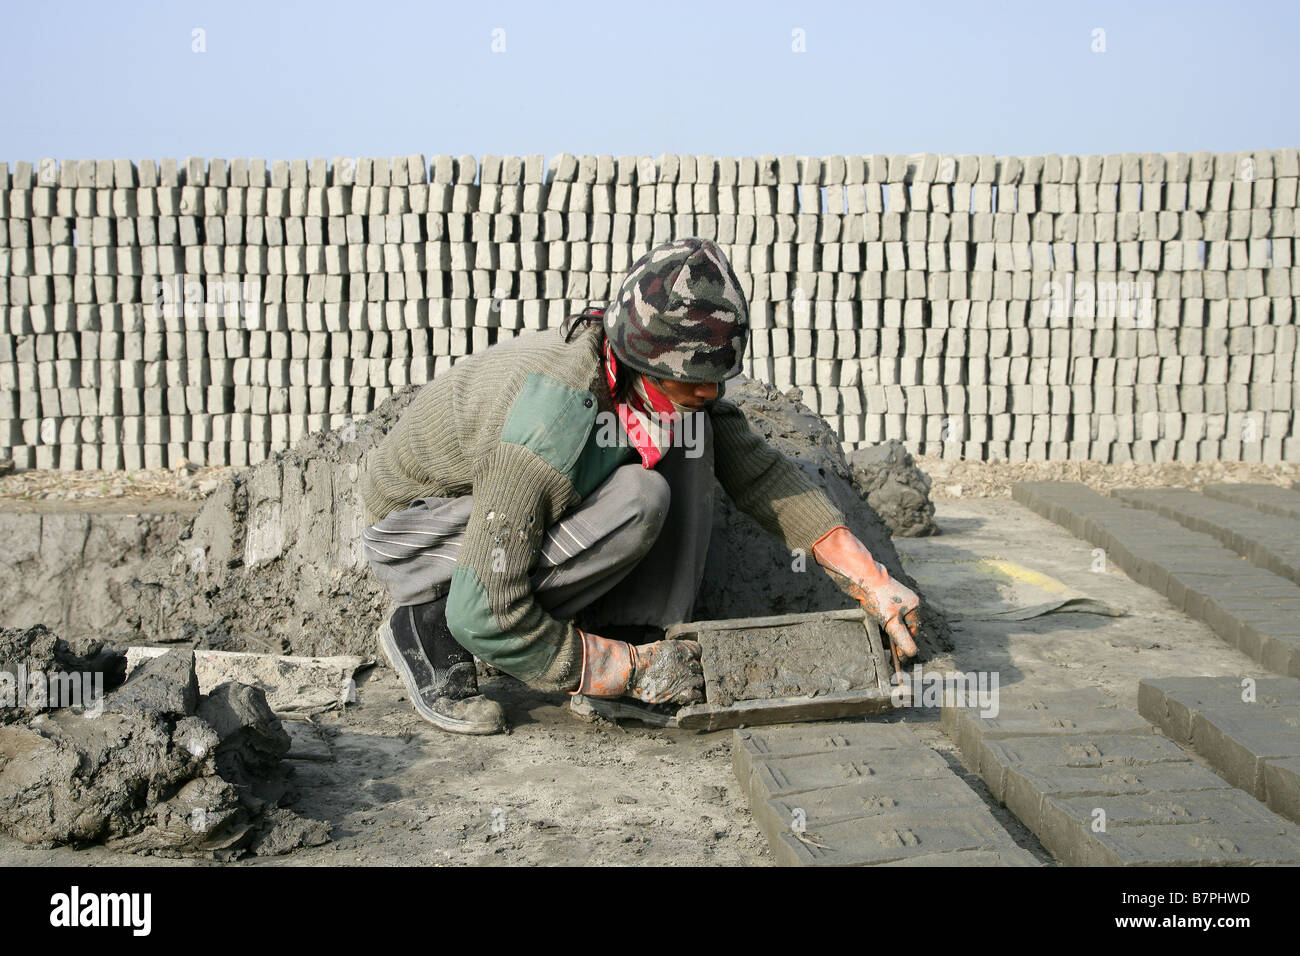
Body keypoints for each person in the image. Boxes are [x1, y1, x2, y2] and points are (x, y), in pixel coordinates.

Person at [358, 237, 921, 735]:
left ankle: (633, 628)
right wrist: (616, 672)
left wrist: (872, 580)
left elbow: (761, 474)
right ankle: (425, 621)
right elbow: (487, 610)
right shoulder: (553, 410)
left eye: (715, 379)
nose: (709, 393)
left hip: (498, 509)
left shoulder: (666, 387)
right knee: (634, 501)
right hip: (421, 530)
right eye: (692, 381)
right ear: (642, 359)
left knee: (692, 444)